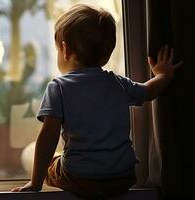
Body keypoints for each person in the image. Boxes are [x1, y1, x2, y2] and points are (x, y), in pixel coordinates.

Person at [11, 4, 182, 199]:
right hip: (122, 177)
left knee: (53, 162)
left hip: (81, 179)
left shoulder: (58, 86)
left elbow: (48, 137)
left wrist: (35, 182)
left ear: (64, 50)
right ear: (106, 54)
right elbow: (150, 91)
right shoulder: (118, 83)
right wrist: (163, 74)